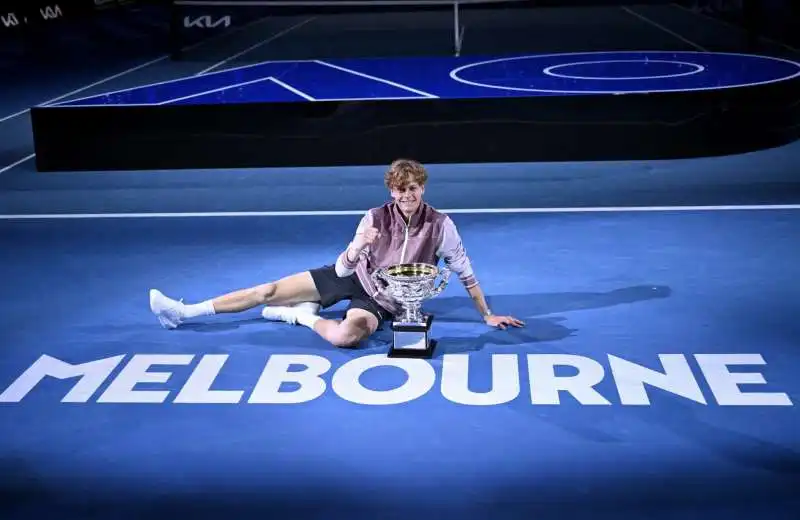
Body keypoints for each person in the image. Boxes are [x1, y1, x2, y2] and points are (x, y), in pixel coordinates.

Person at [149, 159, 524, 347]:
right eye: (400, 190)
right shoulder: (374, 217)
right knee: (265, 291)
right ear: (392, 192)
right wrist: (357, 248)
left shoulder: (441, 224)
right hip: (351, 275)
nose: (407, 196)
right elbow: (345, 270)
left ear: (422, 188)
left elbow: (465, 272)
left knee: (347, 338)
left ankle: (299, 318)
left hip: (385, 301)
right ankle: (183, 312)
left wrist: (486, 315)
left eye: (413, 188)